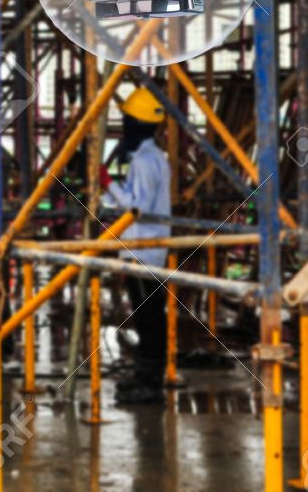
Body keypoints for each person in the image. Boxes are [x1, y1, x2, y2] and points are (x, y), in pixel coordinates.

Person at [101, 86, 171, 404]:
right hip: (145, 249)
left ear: (136, 124)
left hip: (143, 251)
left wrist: (107, 182)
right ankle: (146, 376)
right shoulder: (152, 157)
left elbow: (136, 208)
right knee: (149, 316)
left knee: (149, 318)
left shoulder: (145, 161)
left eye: (126, 119)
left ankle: (150, 383)